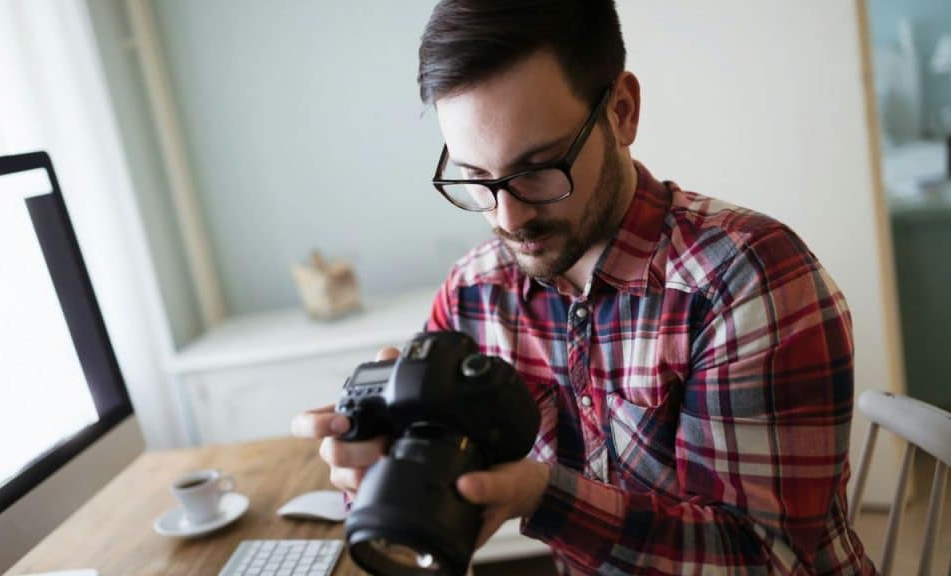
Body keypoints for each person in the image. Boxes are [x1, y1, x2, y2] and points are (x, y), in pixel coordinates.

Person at [293, 1, 876, 573]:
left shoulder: (748, 281)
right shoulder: (476, 294)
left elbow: (763, 560)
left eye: (539, 169)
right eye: (476, 180)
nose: (508, 219)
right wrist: (377, 471)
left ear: (622, 111)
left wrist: (544, 497)